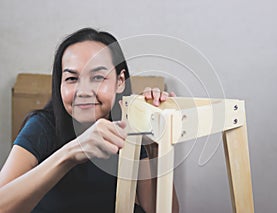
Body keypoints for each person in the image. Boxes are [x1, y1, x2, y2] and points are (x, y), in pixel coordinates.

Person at [0, 28, 179, 212]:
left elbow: (164, 210)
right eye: (71, 78)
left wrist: (157, 145)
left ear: (120, 81)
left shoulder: (130, 127)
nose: (83, 91)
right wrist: (71, 153)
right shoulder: (42, 126)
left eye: (98, 77)